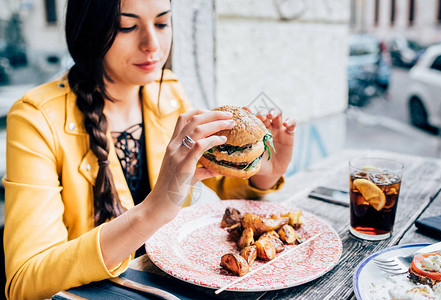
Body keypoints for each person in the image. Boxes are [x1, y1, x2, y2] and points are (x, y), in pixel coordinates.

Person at [2, 0, 296, 299]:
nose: (152, 45)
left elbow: (205, 182)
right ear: (89, 30)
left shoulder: (167, 90)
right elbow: (25, 281)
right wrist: (153, 210)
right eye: (126, 26)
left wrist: (260, 174)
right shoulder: (35, 118)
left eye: (162, 23)